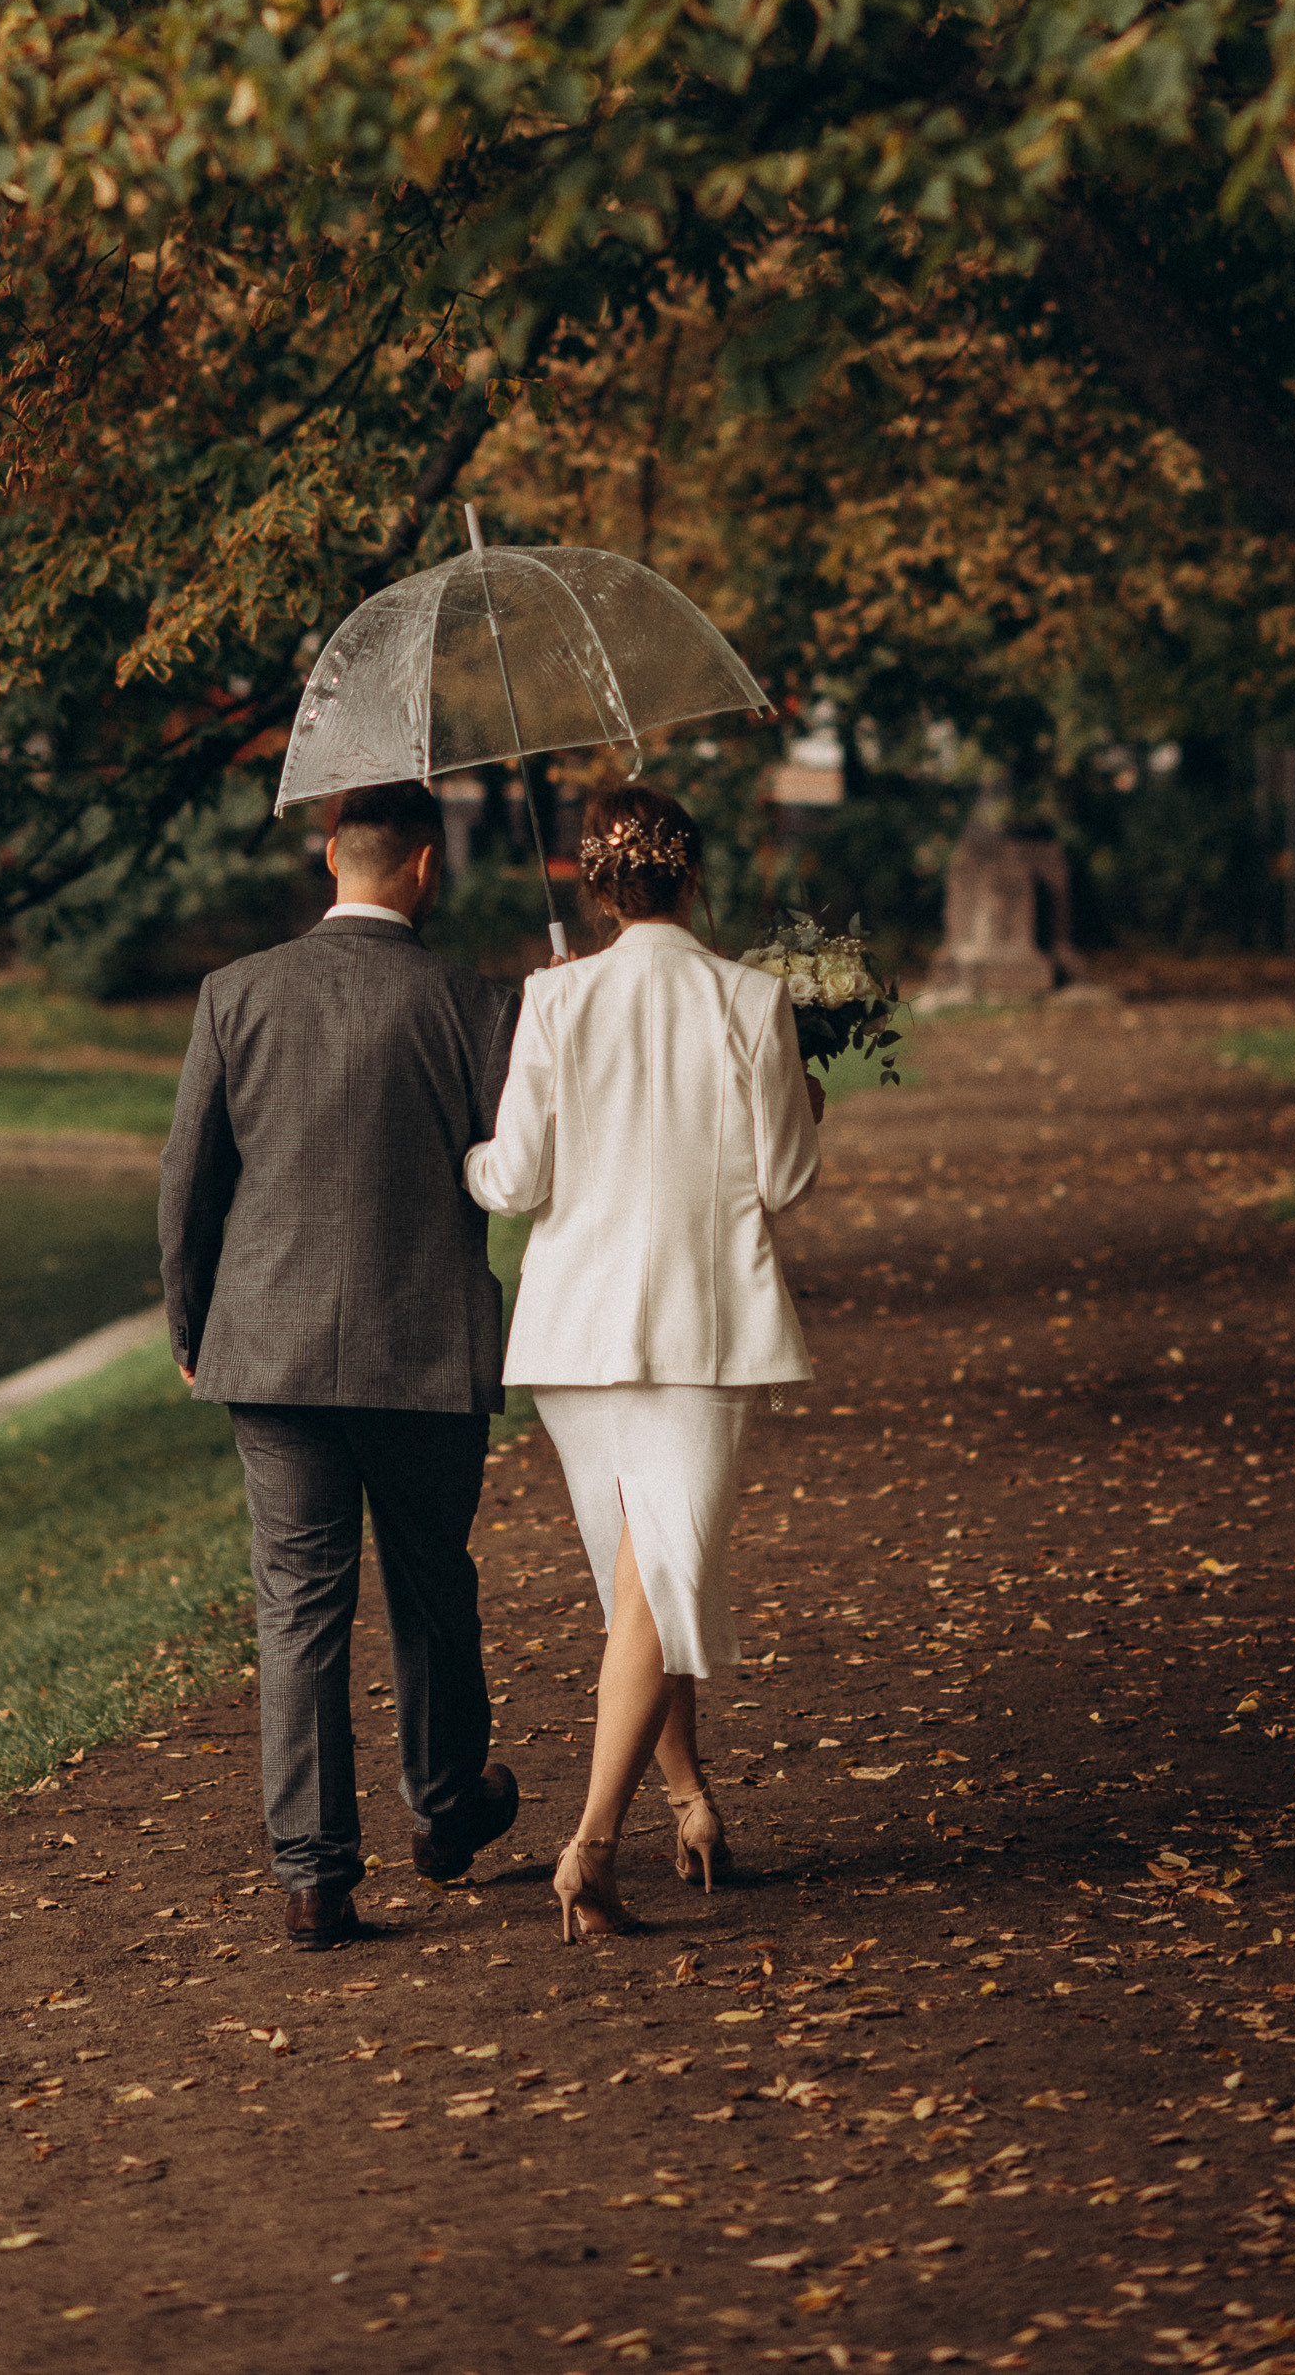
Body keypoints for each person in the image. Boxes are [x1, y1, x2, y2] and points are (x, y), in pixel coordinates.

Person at [158, 779, 523, 1949]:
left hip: (268, 1349)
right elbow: (522, 1166)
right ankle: (446, 1808)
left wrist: (190, 1328)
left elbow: (188, 1180)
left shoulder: (235, 992)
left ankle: (314, 1875)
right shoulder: (476, 1002)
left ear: (331, 856)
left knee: (299, 1607)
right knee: (432, 1583)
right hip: (424, 1344)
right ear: (424, 866)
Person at [464, 782, 821, 1942]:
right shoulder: (749, 998)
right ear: (692, 873)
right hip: (699, 1329)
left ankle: (688, 1797)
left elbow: (514, 1179)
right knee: (653, 1580)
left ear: (594, 882)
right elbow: (783, 1177)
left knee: (644, 1580)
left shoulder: (555, 996)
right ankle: (592, 1848)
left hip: (576, 1334)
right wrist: (805, 1103)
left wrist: (467, 1160)